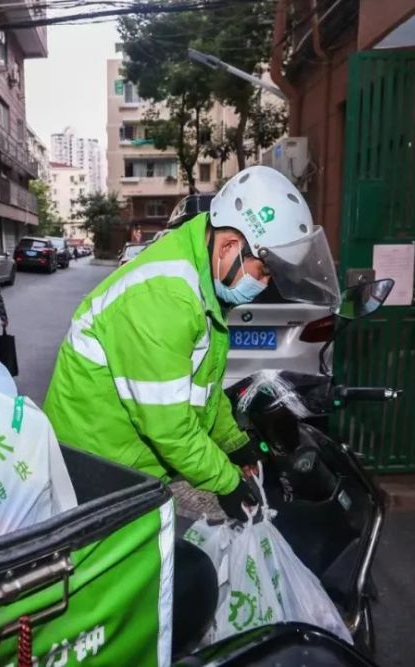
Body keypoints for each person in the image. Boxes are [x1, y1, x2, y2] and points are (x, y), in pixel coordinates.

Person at [44, 166, 340, 522]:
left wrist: (235, 444)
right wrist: (226, 482)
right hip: (94, 472)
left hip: (125, 467)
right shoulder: (166, 297)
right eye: (263, 271)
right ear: (230, 246)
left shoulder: (204, 283)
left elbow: (205, 392)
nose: (263, 284)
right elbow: (169, 425)